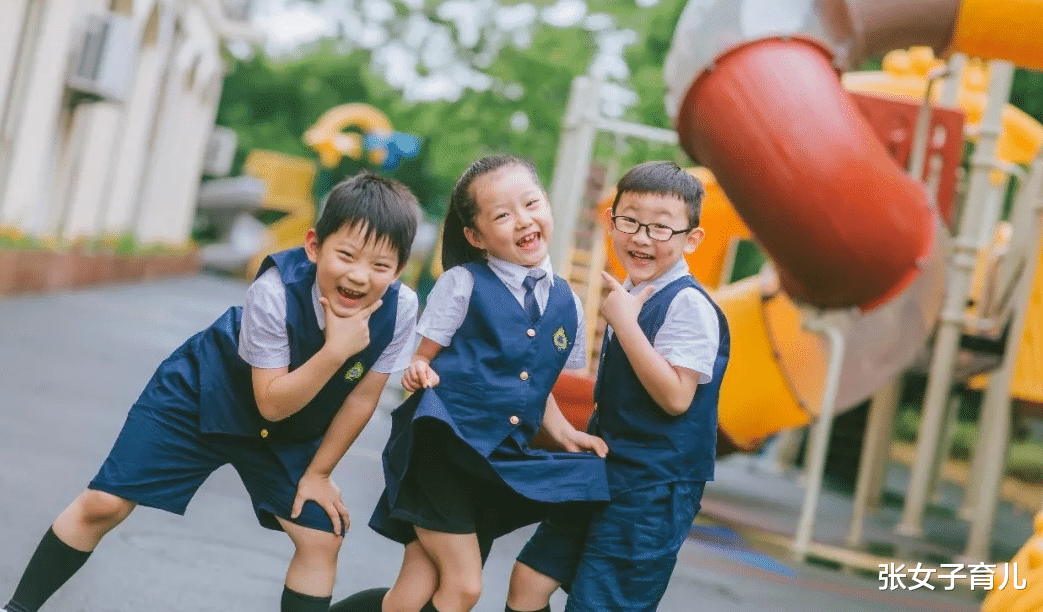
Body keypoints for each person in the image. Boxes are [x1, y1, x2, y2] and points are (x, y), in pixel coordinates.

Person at [2, 171, 421, 612]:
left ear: (399, 269)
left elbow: (361, 397)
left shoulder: (401, 310)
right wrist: (335, 352)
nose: (359, 276)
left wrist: (319, 473)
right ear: (314, 246)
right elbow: (271, 403)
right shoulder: (275, 292)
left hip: (288, 428)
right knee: (104, 503)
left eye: (380, 266)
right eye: (347, 255)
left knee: (321, 540)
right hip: (204, 393)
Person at [332, 154, 610, 612]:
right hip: (441, 451)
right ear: (476, 236)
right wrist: (418, 372)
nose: (523, 220)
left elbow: (536, 390)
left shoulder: (568, 302)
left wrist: (566, 435)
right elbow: (420, 362)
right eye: (503, 215)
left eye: (531, 203)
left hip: (493, 459)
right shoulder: (462, 284)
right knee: (463, 588)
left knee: (416, 588)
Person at [505, 161, 731, 612]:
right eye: (630, 221)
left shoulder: (688, 304)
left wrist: (625, 323)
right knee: (528, 580)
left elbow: (676, 397)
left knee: (601, 603)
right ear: (612, 224)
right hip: (604, 469)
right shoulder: (629, 292)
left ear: (692, 239)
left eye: (662, 228)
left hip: (653, 488)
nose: (643, 237)